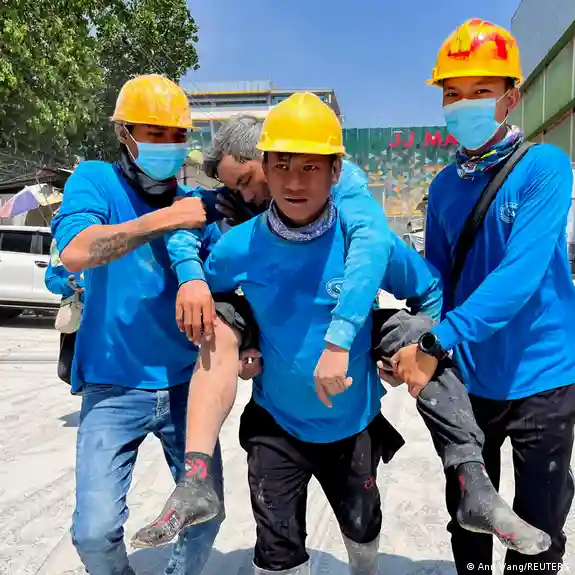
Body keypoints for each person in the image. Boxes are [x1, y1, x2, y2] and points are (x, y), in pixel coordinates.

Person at [132, 95, 550, 560]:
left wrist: (416, 351)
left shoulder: (365, 238)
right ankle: (195, 479)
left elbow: (428, 290)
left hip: (353, 424)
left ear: (336, 172)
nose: (293, 181)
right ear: (266, 167)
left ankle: (473, 481)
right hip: (278, 424)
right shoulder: (241, 244)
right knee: (277, 549)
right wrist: (217, 309)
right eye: (281, 166)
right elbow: (200, 256)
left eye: (310, 168)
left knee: (363, 531)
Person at [391, 19, 575, 574]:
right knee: (468, 514)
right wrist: (411, 335)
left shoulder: (544, 167)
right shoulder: (445, 187)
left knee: (540, 521)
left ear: (511, 98)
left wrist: (437, 341)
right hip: (469, 379)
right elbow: (437, 279)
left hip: (542, 376)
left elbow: (520, 275)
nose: (463, 104)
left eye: (480, 91)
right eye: (452, 94)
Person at [51, 74, 248, 575]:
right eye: (154, 133)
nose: (168, 145)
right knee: (94, 533)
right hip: (112, 386)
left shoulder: (198, 204)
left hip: (185, 386)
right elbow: (75, 252)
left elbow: (229, 279)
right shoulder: (96, 180)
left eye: (177, 135)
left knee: (205, 515)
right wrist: (166, 218)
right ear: (125, 133)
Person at [45, 237, 84, 388]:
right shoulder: (61, 244)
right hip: (74, 313)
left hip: (105, 313)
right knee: (66, 371)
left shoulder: (109, 238)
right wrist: (67, 285)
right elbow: (51, 279)